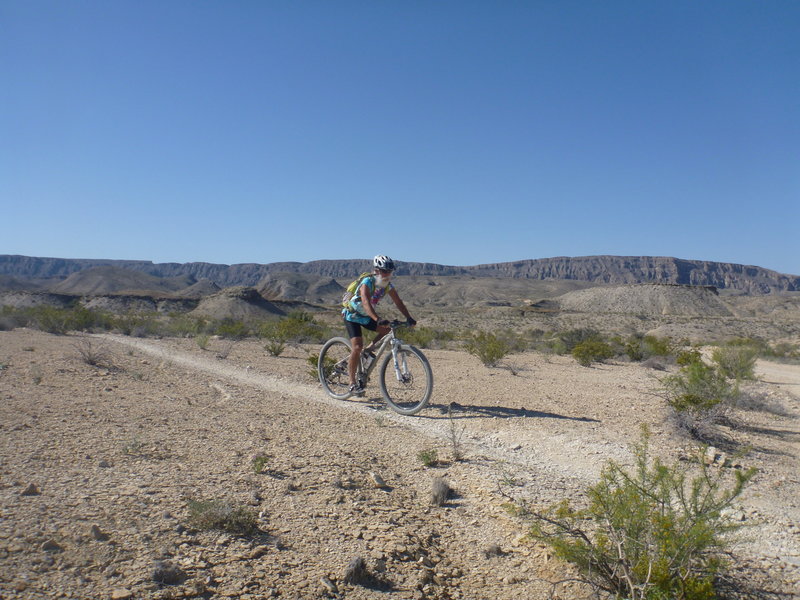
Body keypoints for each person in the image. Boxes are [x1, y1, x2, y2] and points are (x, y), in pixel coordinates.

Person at [342, 255, 416, 395]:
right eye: (384, 271)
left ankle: (368, 350)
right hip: (352, 315)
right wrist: (377, 318)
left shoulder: (387, 286)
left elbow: (398, 302)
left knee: (387, 330)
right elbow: (365, 302)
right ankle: (351, 384)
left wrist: (409, 318)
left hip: (366, 316)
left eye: (390, 271)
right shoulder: (367, 282)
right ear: (376, 270)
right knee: (357, 346)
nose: (388, 274)